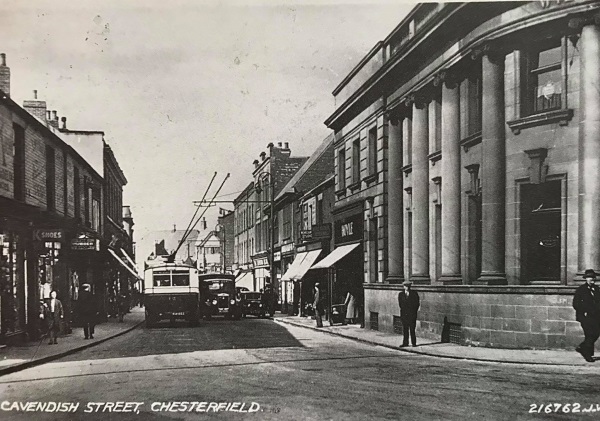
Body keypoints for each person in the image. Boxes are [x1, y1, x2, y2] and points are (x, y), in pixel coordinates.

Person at [573, 269, 600, 362]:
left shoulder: (597, 289)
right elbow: (575, 303)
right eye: (590, 278)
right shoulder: (581, 290)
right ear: (586, 279)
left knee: (596, 333)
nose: (592, 280)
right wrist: (583, 311)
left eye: (593, 278)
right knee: (589, 335)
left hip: (596, 316)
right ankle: (588, 355)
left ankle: (582, 347)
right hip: (585, 316)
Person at [398, 280, 420, 347]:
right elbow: (400, 304)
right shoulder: (401, 294)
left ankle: (414, 343)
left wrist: (413, 312)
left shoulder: (414, 294)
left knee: (412, 329)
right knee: (405, 329)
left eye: (408, 286)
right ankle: (405, 343)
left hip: (412, 314)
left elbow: (417, 304)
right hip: (404, 315)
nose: (407, 287)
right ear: (403, 287)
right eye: (406, 286)